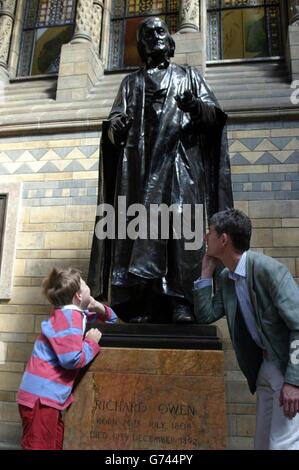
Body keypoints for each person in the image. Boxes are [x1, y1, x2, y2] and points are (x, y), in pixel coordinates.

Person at [88, 17, 233, 324]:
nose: (155, 37)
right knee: (142, 231)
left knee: (182, 236)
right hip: (140, 172)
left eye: (160, 31)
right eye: (148, 34)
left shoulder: (188, 76)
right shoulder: (131, 83)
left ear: (169, 40)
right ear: (141, 46)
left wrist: (195, 106)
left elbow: (215, 117)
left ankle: (181, 301)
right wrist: (117, 127)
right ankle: (144, 301)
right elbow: (113, 125)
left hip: (180, 170)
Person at [193, 208, 299, 450]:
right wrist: (206, 273)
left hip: (288, 369)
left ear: (223, 239)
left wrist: (294, 382)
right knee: (263, 443)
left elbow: (298, 325)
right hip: (265, 368)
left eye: (209, 233)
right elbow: (206, 315)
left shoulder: (268, 270)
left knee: (283, 445)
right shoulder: (226, 277)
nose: (204, 238)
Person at [16, 267, 117, 450]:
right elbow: (71, 359)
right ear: (78, 295)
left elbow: (113, 322)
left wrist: (98, 307)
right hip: (42, 400)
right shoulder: (69, 318)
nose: (89, 289)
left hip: (46, 399)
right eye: (86, 286)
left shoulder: (70, 315)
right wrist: (91, 343)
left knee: (52, 444)